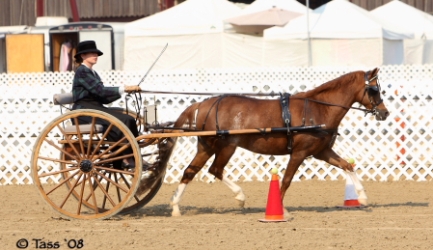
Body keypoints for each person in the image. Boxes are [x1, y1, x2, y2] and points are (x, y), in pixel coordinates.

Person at [71, 40, 141, 169]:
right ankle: (124, 158)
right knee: (122, 120)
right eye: (92, 53)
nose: (95, 55)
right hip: (83, 111)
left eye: (96, 53)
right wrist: (123, 89)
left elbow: (102, 97)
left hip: (95, 108)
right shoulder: (82, 71)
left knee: (129, 119)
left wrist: (123, 92)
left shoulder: (93, 73)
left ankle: (132, 156)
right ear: (83, 56)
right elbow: (100, 91)